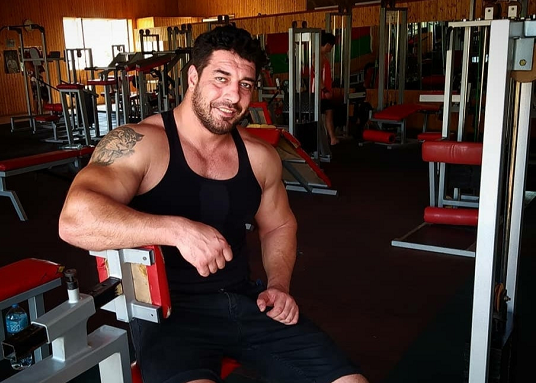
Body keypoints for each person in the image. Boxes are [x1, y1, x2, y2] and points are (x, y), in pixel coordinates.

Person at [59, 25, 368, 383]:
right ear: (193, 77)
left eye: (245, 84)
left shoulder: (259, 156)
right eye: (221, 79)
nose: (233, 96)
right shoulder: (141, 143)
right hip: (169, 317)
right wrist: (177, 230)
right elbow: (74, 219)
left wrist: (279, 286)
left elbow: (279, 225)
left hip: (247, 302)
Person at [320, 32, 338, 145]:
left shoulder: (321, 57)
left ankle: (331, 138)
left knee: (329, 112)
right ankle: (332, 138)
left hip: (322, 94)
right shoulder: (319, 57)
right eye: (331, 46)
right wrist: (325, 91)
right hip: (320, 94)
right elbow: (317, 77)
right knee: (329, 113)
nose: (331, 48)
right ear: (327, 44)